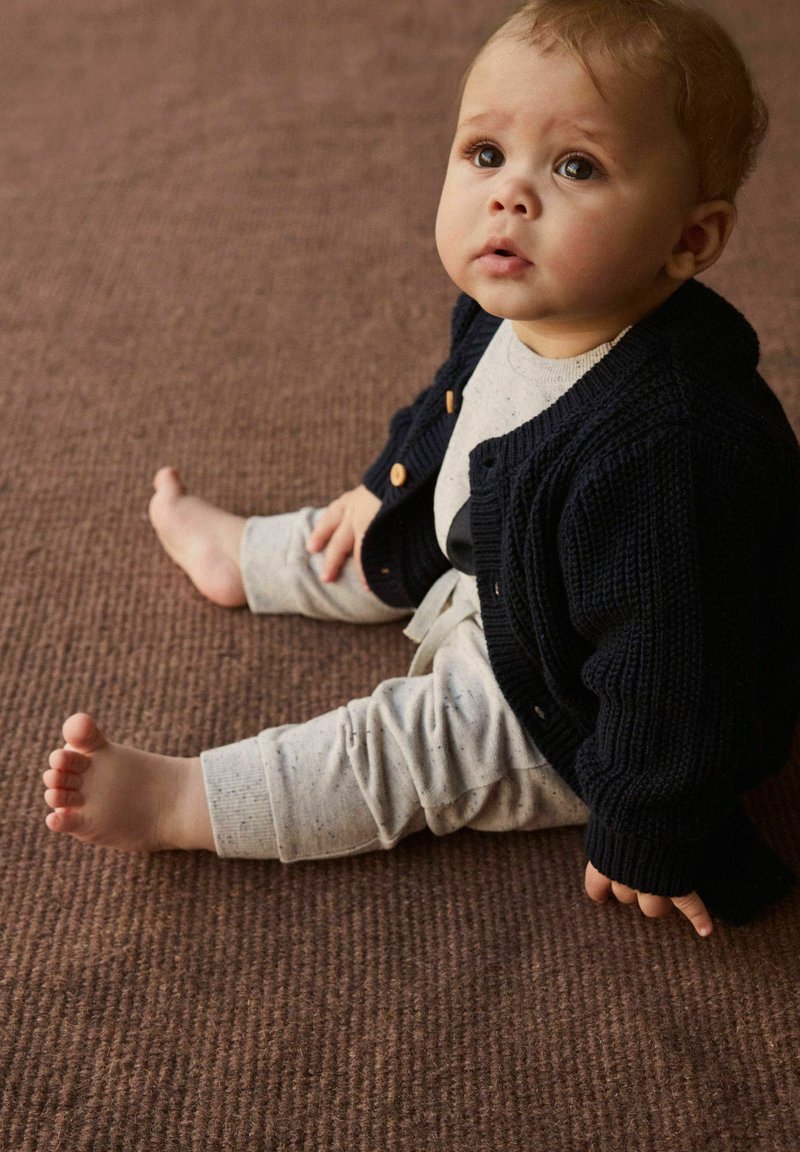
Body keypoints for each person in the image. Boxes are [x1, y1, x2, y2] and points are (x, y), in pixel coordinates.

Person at [43, 0, 800, 935]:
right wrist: (377, 489)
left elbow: (674, 670)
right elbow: (446, 411)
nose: (509, 196)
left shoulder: (668, 457)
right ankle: (250, 558)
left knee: (408, 746)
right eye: (486, 154)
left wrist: (649, 820)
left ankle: (185, 802)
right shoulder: (512, 303)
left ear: (689, 240)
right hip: (505, 562)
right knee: (370, 535)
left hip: (585, 691)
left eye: (576, 167)